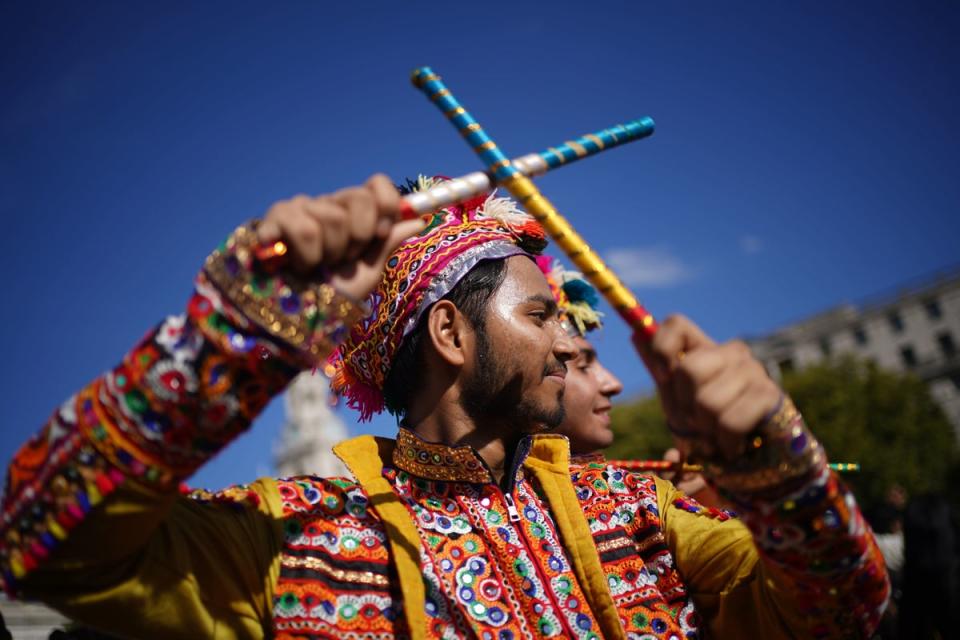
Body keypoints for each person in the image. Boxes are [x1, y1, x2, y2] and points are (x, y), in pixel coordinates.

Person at [1, 175, 889, 639]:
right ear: (452, 339)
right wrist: (241, 335)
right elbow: (43, 545)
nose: (575, 351)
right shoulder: (291, 534)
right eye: (541, 314)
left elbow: (843, 613)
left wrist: (778, 462)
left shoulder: (640, 513)